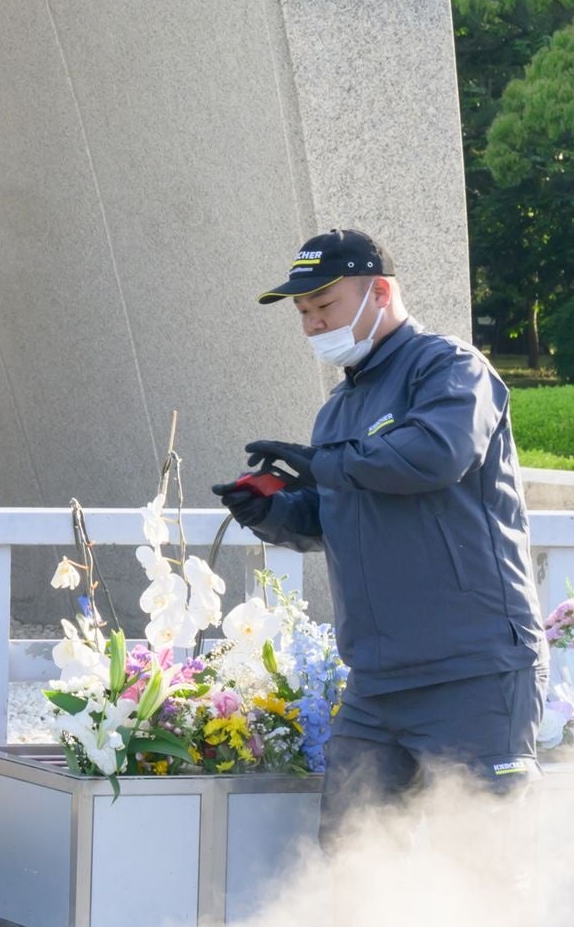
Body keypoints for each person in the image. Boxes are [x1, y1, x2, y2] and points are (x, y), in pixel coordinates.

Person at [221, 228, 542, 834]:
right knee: (351, 856)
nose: (313, 323)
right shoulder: (338, 408)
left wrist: (322, 464)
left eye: (325, 305)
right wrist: (271, 511)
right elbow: (337, 512)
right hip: (377, 681)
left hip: (473, 671)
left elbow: (434, 456)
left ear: (380, 294)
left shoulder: (450, 368)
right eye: (304, 312)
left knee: (482, 870)